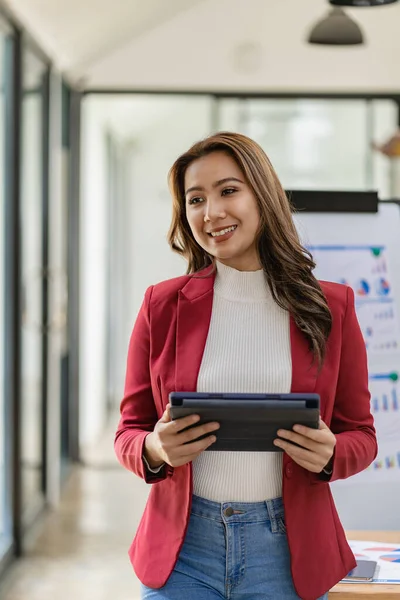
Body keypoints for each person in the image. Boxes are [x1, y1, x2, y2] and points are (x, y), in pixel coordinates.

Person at [115, 132, 377, 600]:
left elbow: (361, 434)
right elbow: (128, 431)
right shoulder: (162, 305)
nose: (211, 212)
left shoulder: (331, 307)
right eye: (195, 199)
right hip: (182, 552)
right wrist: (153, 449)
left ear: (263, 195)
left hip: (285, 552)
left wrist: (332, 453)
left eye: (228, 191)